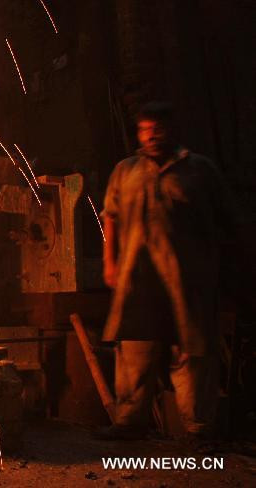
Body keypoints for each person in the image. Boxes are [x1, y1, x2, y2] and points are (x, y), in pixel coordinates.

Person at [97, 102, 236, 441]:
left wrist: (222, 272)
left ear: (172, 129)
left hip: (185, 281)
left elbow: (227, 224)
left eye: (157, 128)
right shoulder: (126, 170)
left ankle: (197, 427)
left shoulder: (199, 170)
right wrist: (110, 262)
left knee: (190, 355)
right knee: (133, 353)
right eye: (145, 129)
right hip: (137, 281)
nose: (151, 135)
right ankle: (130, 422)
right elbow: (110, 216)